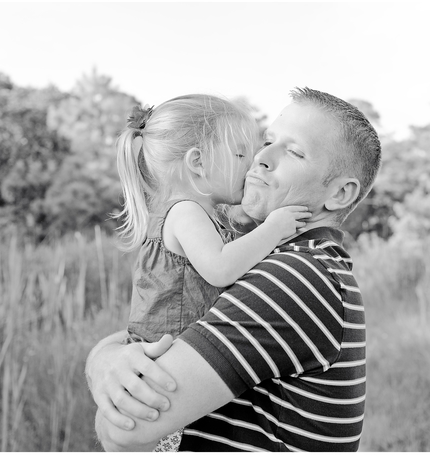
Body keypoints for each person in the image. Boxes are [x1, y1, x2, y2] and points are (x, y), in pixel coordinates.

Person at [85, 87, 382, 452]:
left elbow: (126, 429)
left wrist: (105, 367)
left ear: (338, 195)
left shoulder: (294, 278)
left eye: (294, 151)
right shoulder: (282, 263)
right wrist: (104, 362)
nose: (261, 158)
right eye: (268, 141)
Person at [113, 94, 310, 451]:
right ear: (198, 162)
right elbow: (220, 269)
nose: (251, 163)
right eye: (238, 154)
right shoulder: (186, 211)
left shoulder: (198, 213)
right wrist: (274, 228)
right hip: (165, 364)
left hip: (172, 358)